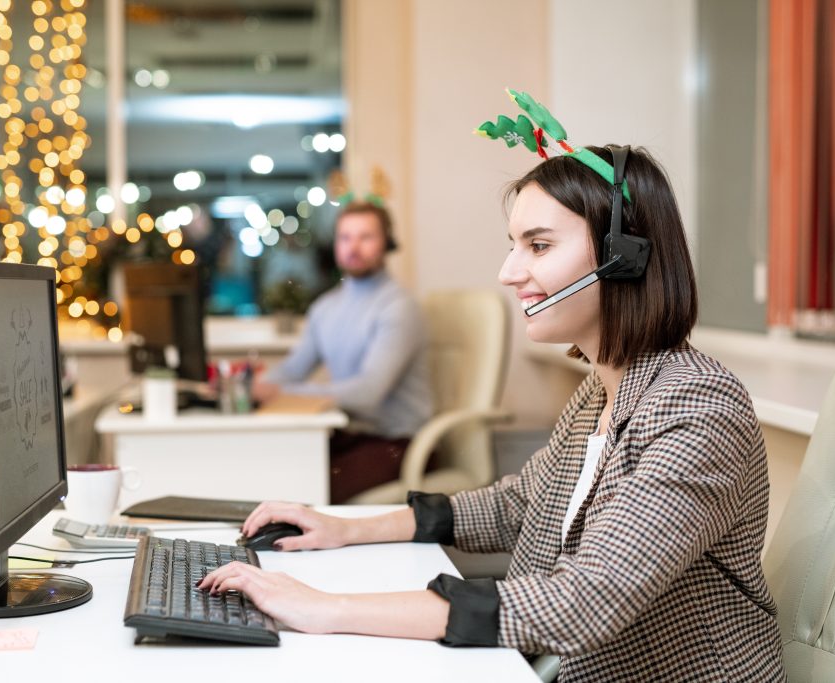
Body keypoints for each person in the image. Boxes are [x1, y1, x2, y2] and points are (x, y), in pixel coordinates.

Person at [200, 145, 786, 680]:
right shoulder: (600, 391)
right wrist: (349, 528)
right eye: (514, 246)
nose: (508, 272)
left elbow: (589, 598)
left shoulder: (698, 405)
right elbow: (517, 505)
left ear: (622, 257)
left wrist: (326, 608)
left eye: (538, 246)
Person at [254, 201, 433, 503]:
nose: (354, 247)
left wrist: (285, 393)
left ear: (387, 243)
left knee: (307, 492)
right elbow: (295, 367)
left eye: (366, 237)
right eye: (345, 237)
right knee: (272, 472)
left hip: (398, 442)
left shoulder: (398, 307)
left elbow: (368, 392)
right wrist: (255, 386)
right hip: (349, 435)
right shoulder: (325, 308)